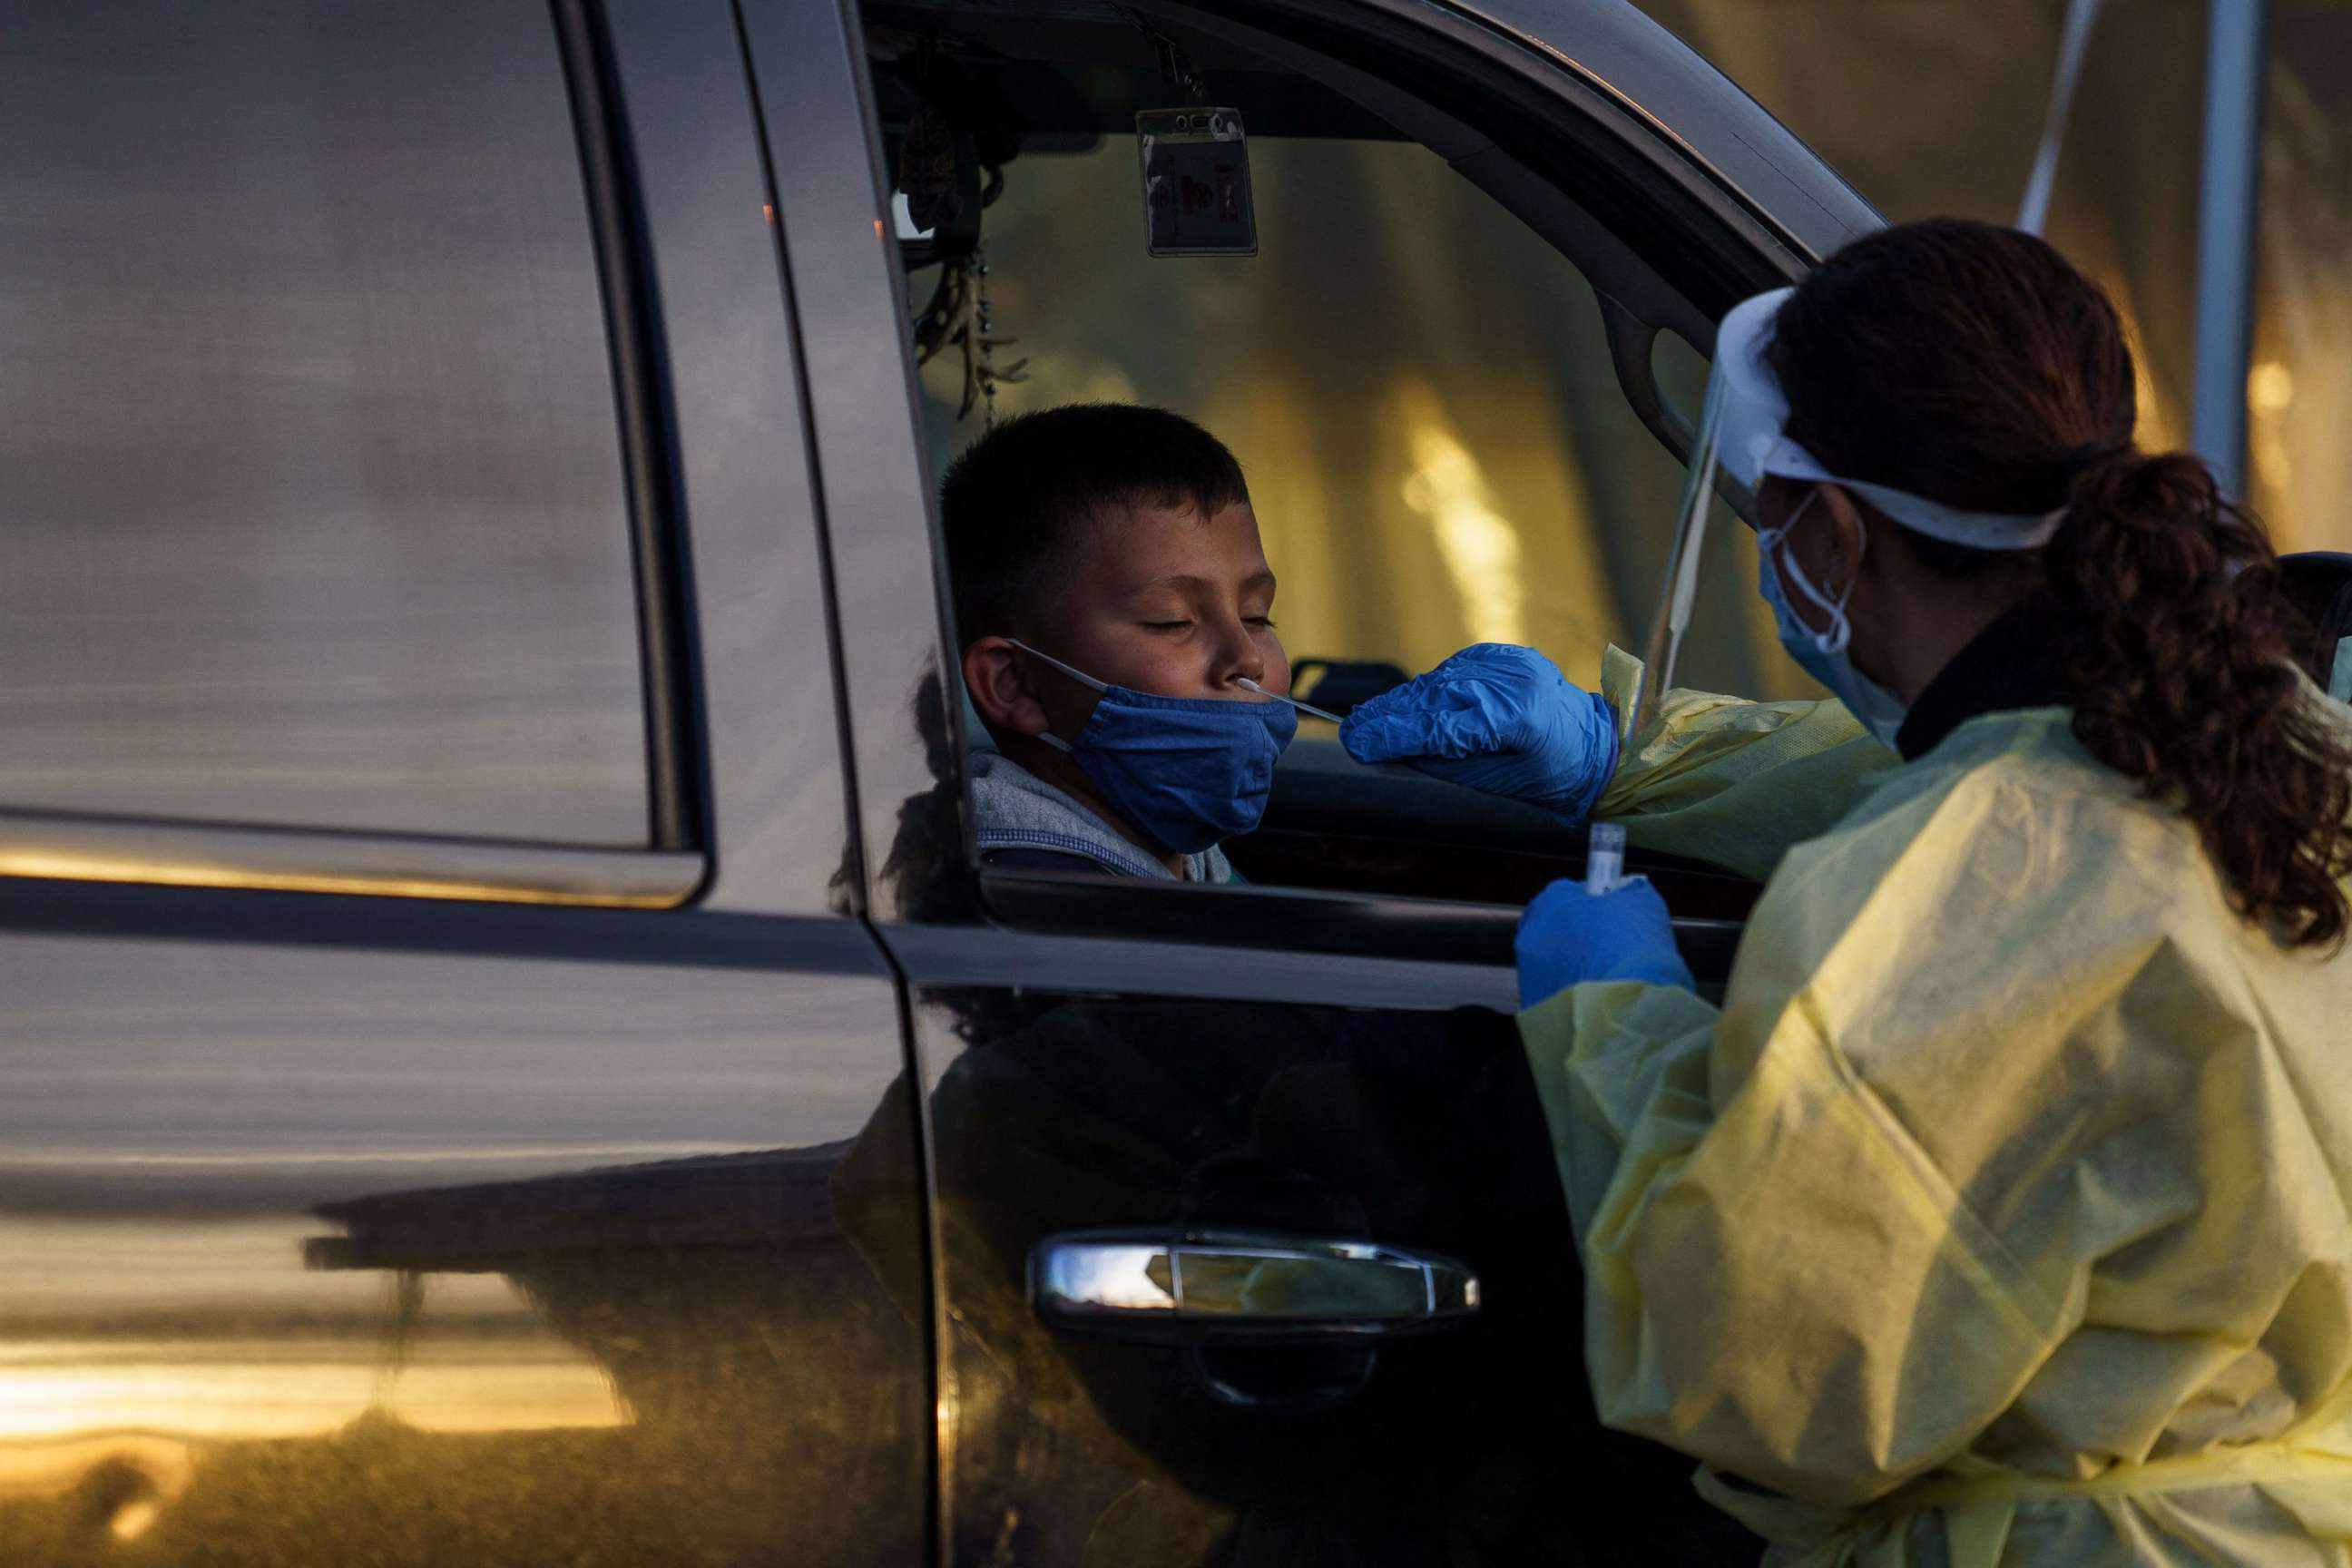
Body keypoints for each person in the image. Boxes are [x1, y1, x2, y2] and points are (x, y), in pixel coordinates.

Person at [1473, 219, 2352, 1566]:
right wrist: (1637, 758)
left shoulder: (1932, 893)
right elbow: (2002, 786)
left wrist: (1615, 1037)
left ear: (1831, 531)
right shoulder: (2276, 740)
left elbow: (1768, 1372)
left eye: (1767, 517)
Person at [946, 402, 1896, 888]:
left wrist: (1621, 756)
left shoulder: (1159, 847)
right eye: (1171, 623)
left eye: (1261, 613)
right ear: (1014, 684)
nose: (1248, 660)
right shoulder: (1032, 882)